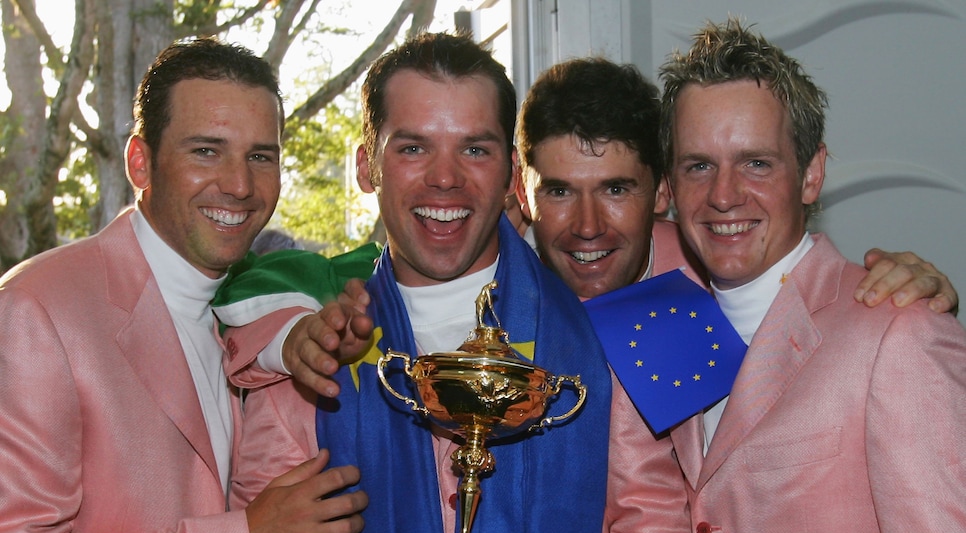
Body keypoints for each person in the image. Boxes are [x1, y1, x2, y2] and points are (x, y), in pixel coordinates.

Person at [228, 32, 697, 533]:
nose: (445, 181)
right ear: (364, 164)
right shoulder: (316, 344)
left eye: (475, 150)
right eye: (413, 147)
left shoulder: (606, 329)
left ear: (510, 172)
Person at [0, 38, 366, 533]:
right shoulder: (39, 308)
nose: (239, 183)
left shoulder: (234, 316)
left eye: (262, 156)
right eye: (207, 150)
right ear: (140, 163)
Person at [228, 58, 955, 398]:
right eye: (559, 191)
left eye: (616, 190)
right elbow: (262, 299)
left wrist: (911, 288)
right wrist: (285, 341)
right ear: (522, 186)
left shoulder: (704, 276)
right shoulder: (483, 270)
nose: (584, 227)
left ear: (663, 192)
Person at [655, 18, 966, 533]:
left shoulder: (894, 333)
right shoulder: (663, 324)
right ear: (668, 184)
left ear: (813, 173)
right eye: (698, 165)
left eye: (755, 162)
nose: (723, 195)